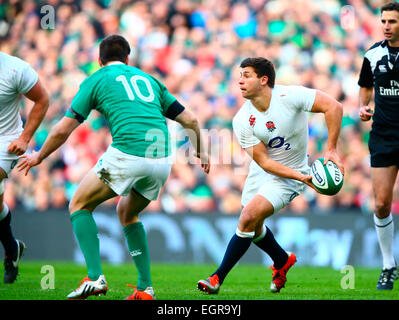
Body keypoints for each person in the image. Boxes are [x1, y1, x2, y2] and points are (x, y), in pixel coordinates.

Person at [18, 34, 210, 300]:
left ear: (99, 60)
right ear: (128, 59)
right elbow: (189, 118)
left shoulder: (96, 79)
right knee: (127, 213)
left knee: (79, 204)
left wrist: (39, 155)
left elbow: (64, 128)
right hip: (162, 160)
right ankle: (145, 288)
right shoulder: (150, 80)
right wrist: (199, 148)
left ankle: (95, 278)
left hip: (128, 154)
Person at [197, 57, 343, 295]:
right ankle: (282, 259)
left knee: (247, 217)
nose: (240, 80)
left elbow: (334, 107)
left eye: (246, 75)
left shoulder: (290, 96)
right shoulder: (241, 119)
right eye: (240, 75)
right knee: (253, 228)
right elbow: (264, 162)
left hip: (291, 176)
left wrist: (331, 150)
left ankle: (216, 278)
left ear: (263, 80)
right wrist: (302, 177)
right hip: (264, 171)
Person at [358, 2, 399, 290]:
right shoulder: (372, 53)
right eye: (384, 20)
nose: (386, 26)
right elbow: (365, 86)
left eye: (393, 21)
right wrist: (363, 107)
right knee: (382, 204)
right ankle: (388, 266)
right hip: (383, 136)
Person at [0, 52, 49, 284]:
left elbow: (42, 100)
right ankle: (12, 248)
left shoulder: (16, 69)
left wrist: (25, 138)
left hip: (6, 140)